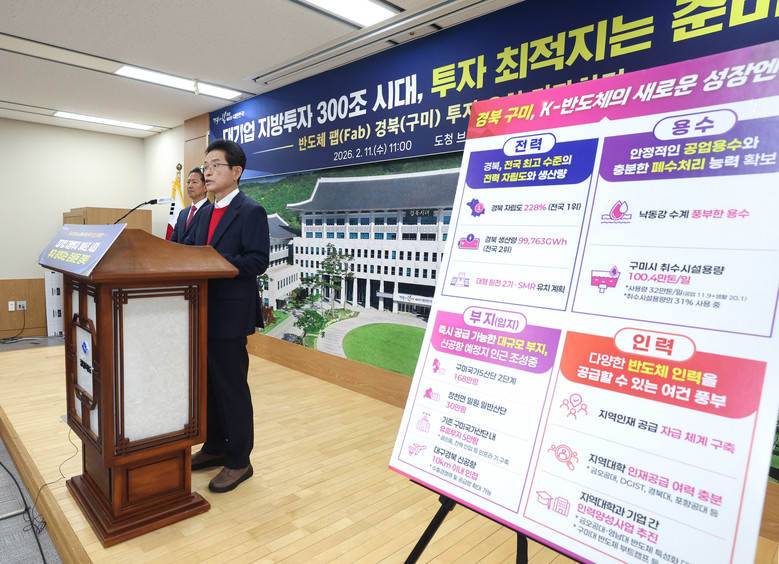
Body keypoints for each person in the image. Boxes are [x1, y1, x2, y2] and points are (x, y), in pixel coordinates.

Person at [189, 139, 270, 493]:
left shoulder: (251, 211)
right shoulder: (203, 213)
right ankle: (215, 446)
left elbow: (257, 260)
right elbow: (187, 253)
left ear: (236, 172)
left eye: (215, 165)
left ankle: (239, 461)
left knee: (231, 387)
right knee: (208, 386)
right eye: (205, 166)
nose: (207, 172)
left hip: (229, 314)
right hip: (200, 310)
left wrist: (213, 261)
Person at [170, 167, 210, 243]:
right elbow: (173, 241)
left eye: (194, 182)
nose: (189, 186)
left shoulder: (210, 212)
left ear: (205, 187)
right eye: (188, 182)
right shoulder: (183, 213)